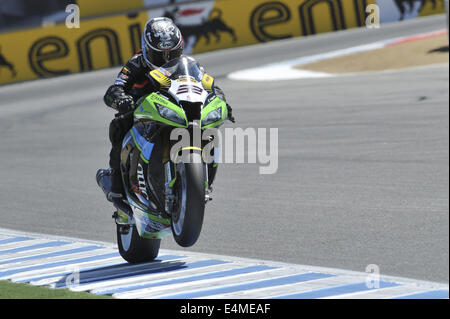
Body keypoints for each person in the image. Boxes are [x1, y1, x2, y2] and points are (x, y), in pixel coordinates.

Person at [100, 17, 233, 200]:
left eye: (172, 54)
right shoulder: (136, 63)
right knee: (119, 125)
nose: (166, 60)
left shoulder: (189, 64)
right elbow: (115, 88)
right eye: (159, 55)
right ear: (147, 50)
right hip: (142, 110)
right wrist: (121, 99)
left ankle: (204, 181)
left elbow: (209, 85)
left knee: (208, 129)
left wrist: (221, 100)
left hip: (176, 108)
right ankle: (115, 179)